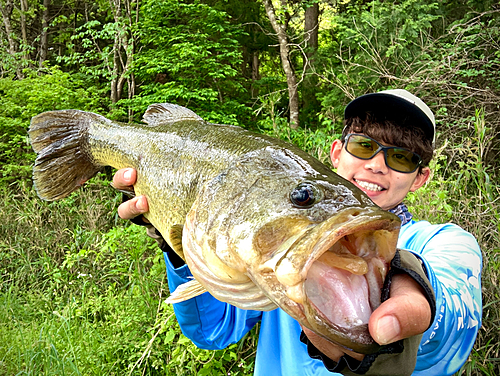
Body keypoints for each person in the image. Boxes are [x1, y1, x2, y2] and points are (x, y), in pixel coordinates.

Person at [112, 89, 482, 375]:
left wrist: (408, 286)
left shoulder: (447, 242)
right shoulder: (276, 242)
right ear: (336, 153)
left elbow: (453, 330)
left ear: (421, 178)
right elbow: (212, 332)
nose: (376, 165)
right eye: (364, 145)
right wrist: (179, 247)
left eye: (401, 157)